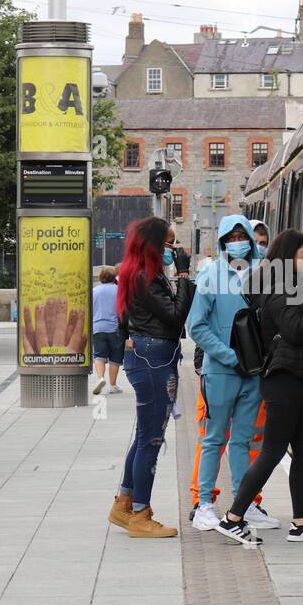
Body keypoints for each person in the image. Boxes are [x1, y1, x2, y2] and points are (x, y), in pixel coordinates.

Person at [216, 229, 303, 546]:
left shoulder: (287, 285)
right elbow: (296, 330)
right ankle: (232, 518)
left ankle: (301, 523)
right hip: (282, 378)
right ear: (288, 256)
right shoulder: (280, 287)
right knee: (272, 451)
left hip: (292, 377)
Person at [186, 215, 280, 532]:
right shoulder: (210, 275)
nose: (237, 241)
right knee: (213, 440)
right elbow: (195, 326)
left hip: (253, 373)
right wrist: (228, 356)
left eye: (242, 235)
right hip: (221, 372)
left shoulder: (265, 273)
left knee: (242, 440)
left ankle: (247, 503)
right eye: (231, 236)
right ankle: (204, 505)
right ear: (223, 241)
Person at [108, 218, 194, 538]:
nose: (174, 250)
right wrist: (184, 276)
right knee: (151, 439)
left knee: (145, 436)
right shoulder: (146, 276)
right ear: (154, 245)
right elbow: (175, 316)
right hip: (153, 359)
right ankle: (140, 515)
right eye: (169, 244)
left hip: (147, 356)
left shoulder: (137, 273)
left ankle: (124, 503)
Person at [90, 267, 124, 396]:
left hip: (97, 327)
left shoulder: (94, 291)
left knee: (99, 355)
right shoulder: (119, 290)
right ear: (114, 277)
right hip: (114, 328)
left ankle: (100, 379)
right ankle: (113, 385)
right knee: (115, 357)